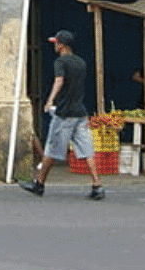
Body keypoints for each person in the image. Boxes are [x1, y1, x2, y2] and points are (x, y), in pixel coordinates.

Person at [19, 29, 104, 201]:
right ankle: (97, 184)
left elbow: (59, 81)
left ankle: (39, 184)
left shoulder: (60, 62)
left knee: (51, 149)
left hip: (64, 113)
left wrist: (50, 100)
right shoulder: (81, 63)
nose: (55, 46)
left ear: (62, 45)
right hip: (80, 113)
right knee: (87, 151)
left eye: (57, 43)